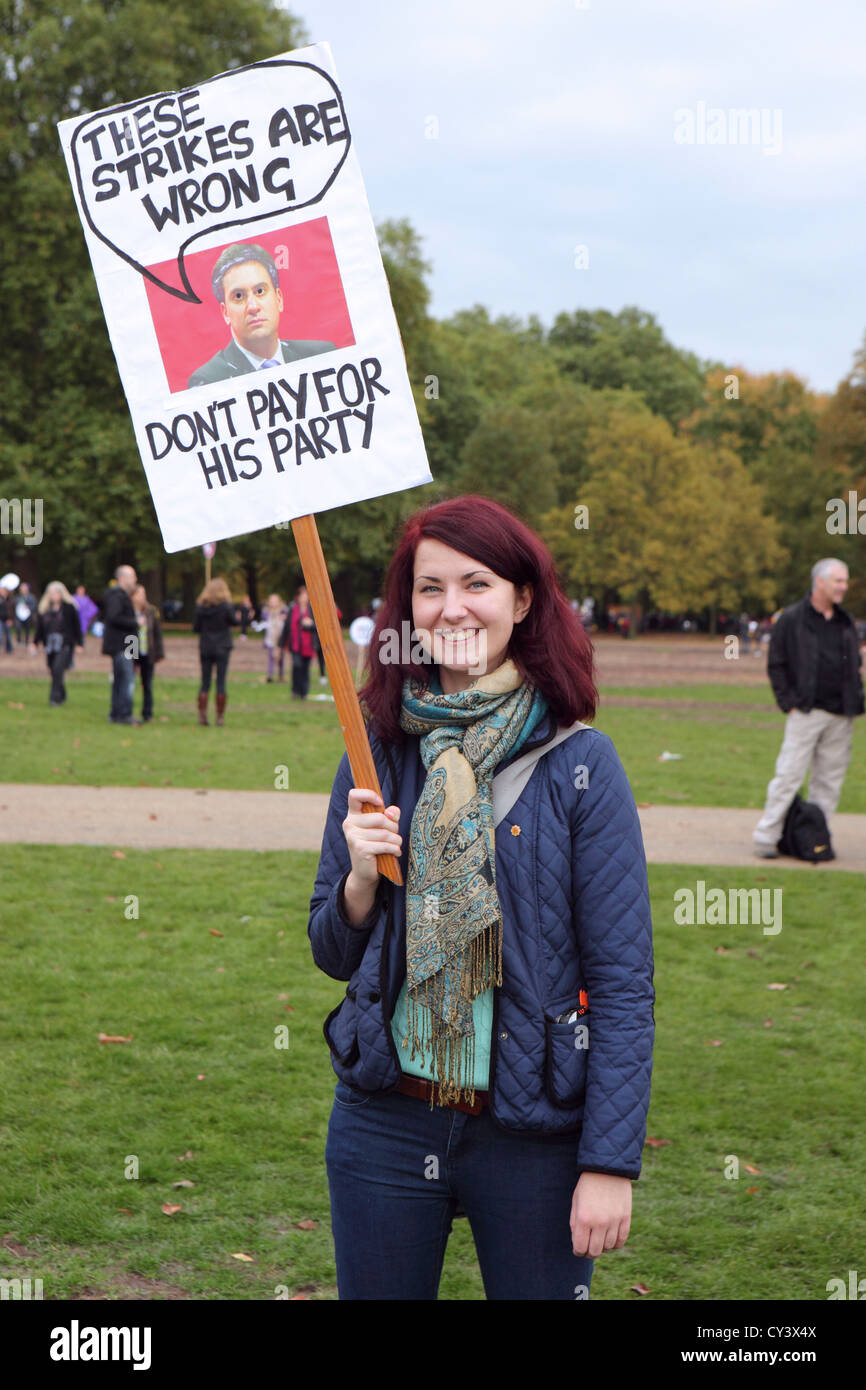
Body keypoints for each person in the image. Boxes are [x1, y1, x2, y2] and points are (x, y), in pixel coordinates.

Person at [308, 495, 654, 1301]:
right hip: (384, 1117)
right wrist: (360, 880)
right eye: (430, 588)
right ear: (408, 609)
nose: (452, 606)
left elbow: (622, 984)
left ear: (522, 598)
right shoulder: (375, 748)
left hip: (531, 1131)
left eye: (477, 582)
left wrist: (608, 1162)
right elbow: (332, 952)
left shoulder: (582, 765)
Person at [753, 558, 865, 858]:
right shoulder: (792, 619)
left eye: (845, 581)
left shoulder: (845, 621)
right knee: (788, 774)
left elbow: (853, 663)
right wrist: (788, 703)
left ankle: (815, 836)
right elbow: (776, 664)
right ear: (820, 582)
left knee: (829, 781)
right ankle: (767, 835)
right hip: (806, 711)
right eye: (839, 581)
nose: (844, 587)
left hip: (842, 713)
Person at [187, 243, 336, 389]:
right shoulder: (208, 381)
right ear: (225, 312)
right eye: (239, 296)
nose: (253, 306)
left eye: (260, 291)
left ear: (279, 299)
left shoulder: (322, 354)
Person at [193, 577, 241, 726]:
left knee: (205, 682)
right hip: (222, 646)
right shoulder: (226, 607)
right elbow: (234, 622)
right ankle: (220, 717)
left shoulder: (201, 608)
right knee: (221, 682)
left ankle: (202, 716)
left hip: (206, 646)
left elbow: (196, 628)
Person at [101, 565, 140, 725]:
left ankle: (117, 713)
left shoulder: (122, 595)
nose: (135, 580)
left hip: (128, 642)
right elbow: (113, 617)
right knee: (126, 678)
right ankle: (124, 714)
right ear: (122, 578)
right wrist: (135, 622)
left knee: (121, 678)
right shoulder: (117, 595)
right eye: (132, 576)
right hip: (122, 644)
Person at [33, 581, 82, 705]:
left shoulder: (69, 608)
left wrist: (79, 643)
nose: (53, 595)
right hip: (50, 645)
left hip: (65, 643)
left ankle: (54, 699)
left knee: (57, 668)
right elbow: (40, 629)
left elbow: (77, 627)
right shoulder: (45, 610)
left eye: (55, 593)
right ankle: (62, 694)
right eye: (51, 593)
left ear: (61, 594)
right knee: (53, 670)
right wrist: (35, 642)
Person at [132, 584, 165, 722]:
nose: (142, 596)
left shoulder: (151, 611)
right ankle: (126, 710)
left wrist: (159, 652)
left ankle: (147, 713)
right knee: (129, 681)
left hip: (148, 651)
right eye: (139, 594)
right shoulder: (128, 611)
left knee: (148, 684)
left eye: (143, 593)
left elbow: (157, 633)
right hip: (132, 648)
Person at [281, 585, 315, 700]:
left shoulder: (312, 609)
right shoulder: (293, 609)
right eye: (302, 595)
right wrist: (282, 643)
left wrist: (310, 624)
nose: (304, 598)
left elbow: (318, 628)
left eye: (306, 595)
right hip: (295, 644)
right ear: (298, 597)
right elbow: (287, 626)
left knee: (305, 669)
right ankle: (295, 690)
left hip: (308, 645)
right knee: (296, 666)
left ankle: (304, 692)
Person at [263, 593, 287, 682]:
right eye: (271, 601)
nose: (273, 603)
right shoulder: (267, 612)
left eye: (274, 601)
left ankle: (280, 675)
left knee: (280, 657)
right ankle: (270, 675)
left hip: (280, 638)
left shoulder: (283, 611)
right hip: (270, 639)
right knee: (271, 657)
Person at [14, 581, 37, 648]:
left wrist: (28, 607)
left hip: (28, 616)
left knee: (27, 629)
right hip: (18, 616)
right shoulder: (17, 597)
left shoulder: (31, 597)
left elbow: (34, 606)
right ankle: (19, 641)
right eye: (21, 588)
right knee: (18, 627)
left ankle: (27, 641)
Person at [0, 587, 14, 654]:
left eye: (3, 591)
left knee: (8, 635)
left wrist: (11, 619)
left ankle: (9, 649)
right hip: (0, 619)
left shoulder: (10, 599)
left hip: (8, 620)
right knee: (0, 635)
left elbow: (12, 610)